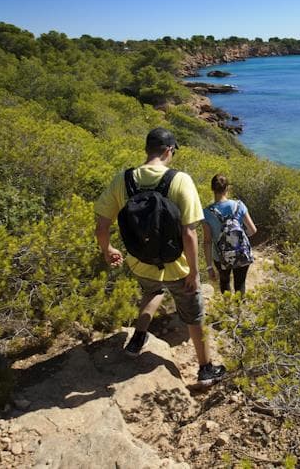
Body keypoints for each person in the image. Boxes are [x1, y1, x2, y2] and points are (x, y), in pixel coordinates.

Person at [94, 127, 226, 385]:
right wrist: (194, 272)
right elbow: (189, 233)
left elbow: (101, 225)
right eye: (173, 151)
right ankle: (205, 369)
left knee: (153, 292)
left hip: (140, 261)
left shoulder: (123, 179)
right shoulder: (180, 180)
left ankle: (137, 339)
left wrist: (107, 250)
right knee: (194, 316)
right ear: (169, 150)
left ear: (147, 150)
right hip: (177, 266)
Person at [202, 174, 257, 293]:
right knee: (240, 284)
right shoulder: (239, 205)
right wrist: (237, 239)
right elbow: (253, 230)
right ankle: (239, 310)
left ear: (212, 189)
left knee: (225, 282)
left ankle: (228, 310)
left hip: (220, 256)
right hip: (241, 252)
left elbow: (207, 241)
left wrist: (209, 267)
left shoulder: (206, 213)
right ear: (227, 188)